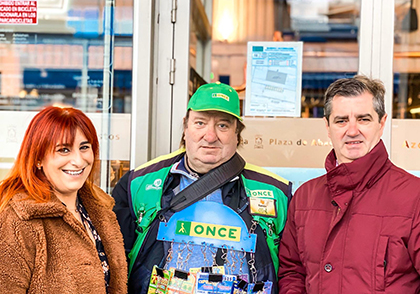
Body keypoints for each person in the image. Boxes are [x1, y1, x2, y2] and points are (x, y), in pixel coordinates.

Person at [112, 83, 292, 294]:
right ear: (186, 128)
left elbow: (292, 270)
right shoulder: (139, 183)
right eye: (200, 123)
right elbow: (114, 261)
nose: (210, 136)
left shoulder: (277, 192)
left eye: (223, 126)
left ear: (238, 134)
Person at [278, 75, 420, 293]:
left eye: (363, 119)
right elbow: (292, 272)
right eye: (341, 120)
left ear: (381, 124)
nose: (352, 131)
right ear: (327, 126)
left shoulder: (413, 196)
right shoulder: (305, 197)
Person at [0, 106, 127, 294]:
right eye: (64, 150)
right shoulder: (18, 219)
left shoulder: (101, 211)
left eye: (84, 147)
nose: (78, 160)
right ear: (38, 159)